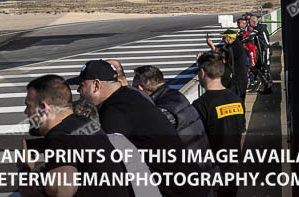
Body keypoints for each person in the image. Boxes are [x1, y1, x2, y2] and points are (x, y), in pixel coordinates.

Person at [70, 60, 207, 197]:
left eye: (82, 85)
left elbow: (104, 165)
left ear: (96, 85)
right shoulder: (132, 96)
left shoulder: (114, 111)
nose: (78, 91)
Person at [21, 74, 135, 197]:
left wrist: (25, 169)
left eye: (28, 106)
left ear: (44, 108)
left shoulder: (59, 137)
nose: (26, 112)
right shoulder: (83, 123)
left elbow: (62, 191)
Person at [132, 66, 214, 174]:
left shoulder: (163, 111)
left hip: (190, 174)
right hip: (204, 166)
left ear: (141, 88)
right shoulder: (176, 96)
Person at [192, 52, 246, 197]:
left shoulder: (200, 105)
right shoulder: (237, 100)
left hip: (213, 172)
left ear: (202, 72)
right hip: (233, 170)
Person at [206, 29, 248, 101]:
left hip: (237, 81)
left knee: (234, 101)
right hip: (241, 79)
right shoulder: (236, 44)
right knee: (239, 101)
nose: (223, 39)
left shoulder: (233, 48)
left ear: (230, 38)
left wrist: (212, 47)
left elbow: (222, 58)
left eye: (224, 37)